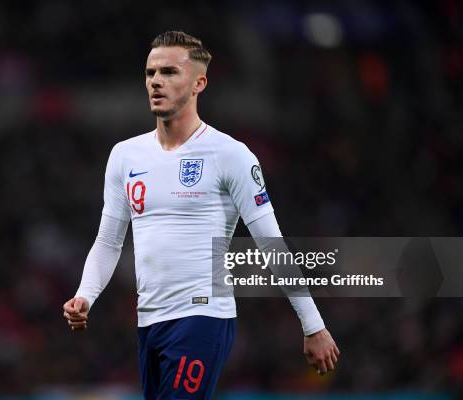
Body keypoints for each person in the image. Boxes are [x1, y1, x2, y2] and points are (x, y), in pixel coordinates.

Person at [63, 31, 340, 399]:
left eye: (169, 72)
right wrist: (85, 295)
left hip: (203, 316)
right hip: (149, 321)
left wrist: (313, 324)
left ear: (199, 83)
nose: (156, 81)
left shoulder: (231, 155)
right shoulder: (125, 156)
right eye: (150, 73)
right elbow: (109, 241)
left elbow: (270, 242)